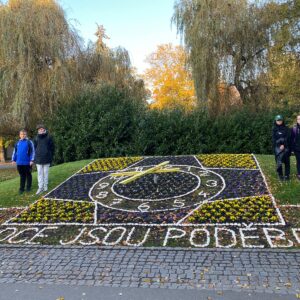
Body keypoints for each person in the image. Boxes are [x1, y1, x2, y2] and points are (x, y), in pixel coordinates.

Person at [12, 129, 35, 194]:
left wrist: (31, 160)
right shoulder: (17, 143)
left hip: (27, 162)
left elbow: (32, 151)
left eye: (24, 134)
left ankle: (28, 187)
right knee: (22, 175)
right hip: (19, 163)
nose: (23, 135)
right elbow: (15, 152)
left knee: (28, 175)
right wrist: (13, 159)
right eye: (21, 134)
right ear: (19, 135)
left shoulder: (29, 142)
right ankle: (21, 188)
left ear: (26, 135)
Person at [34, 124, 55, 194]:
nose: (41, 130)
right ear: (38, 130)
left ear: (44, 129)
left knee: (45, 173)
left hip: (47, 158)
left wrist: (50, 155)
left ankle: (45, 186)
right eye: (39, 129)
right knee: (39, 173)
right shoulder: (36, 138)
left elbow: (52, 148)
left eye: (42, 129)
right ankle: (40, 187)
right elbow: (34, 148)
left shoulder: (49, 137)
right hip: (38, 158)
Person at [272, 115, 291, 181]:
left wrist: (283, 144)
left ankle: (287, 176)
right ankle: (280, 175)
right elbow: (274, 139)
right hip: (277, 148)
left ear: (282, 121)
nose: (279, 121)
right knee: (279, 163)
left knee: (287, 162)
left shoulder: (286, 128)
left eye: (280, 120)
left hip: (286, 147)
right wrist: (279, 144)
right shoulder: (274, 129)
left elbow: (288, 138)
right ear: (276, 121)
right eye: (278, 120)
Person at [291, 115, 300, 181]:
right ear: (297, 120)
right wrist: (292, 149)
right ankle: (299, 174)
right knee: (299, 161)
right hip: (297, 148)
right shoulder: (294, 129)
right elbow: (292, 139)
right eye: (298, 119)